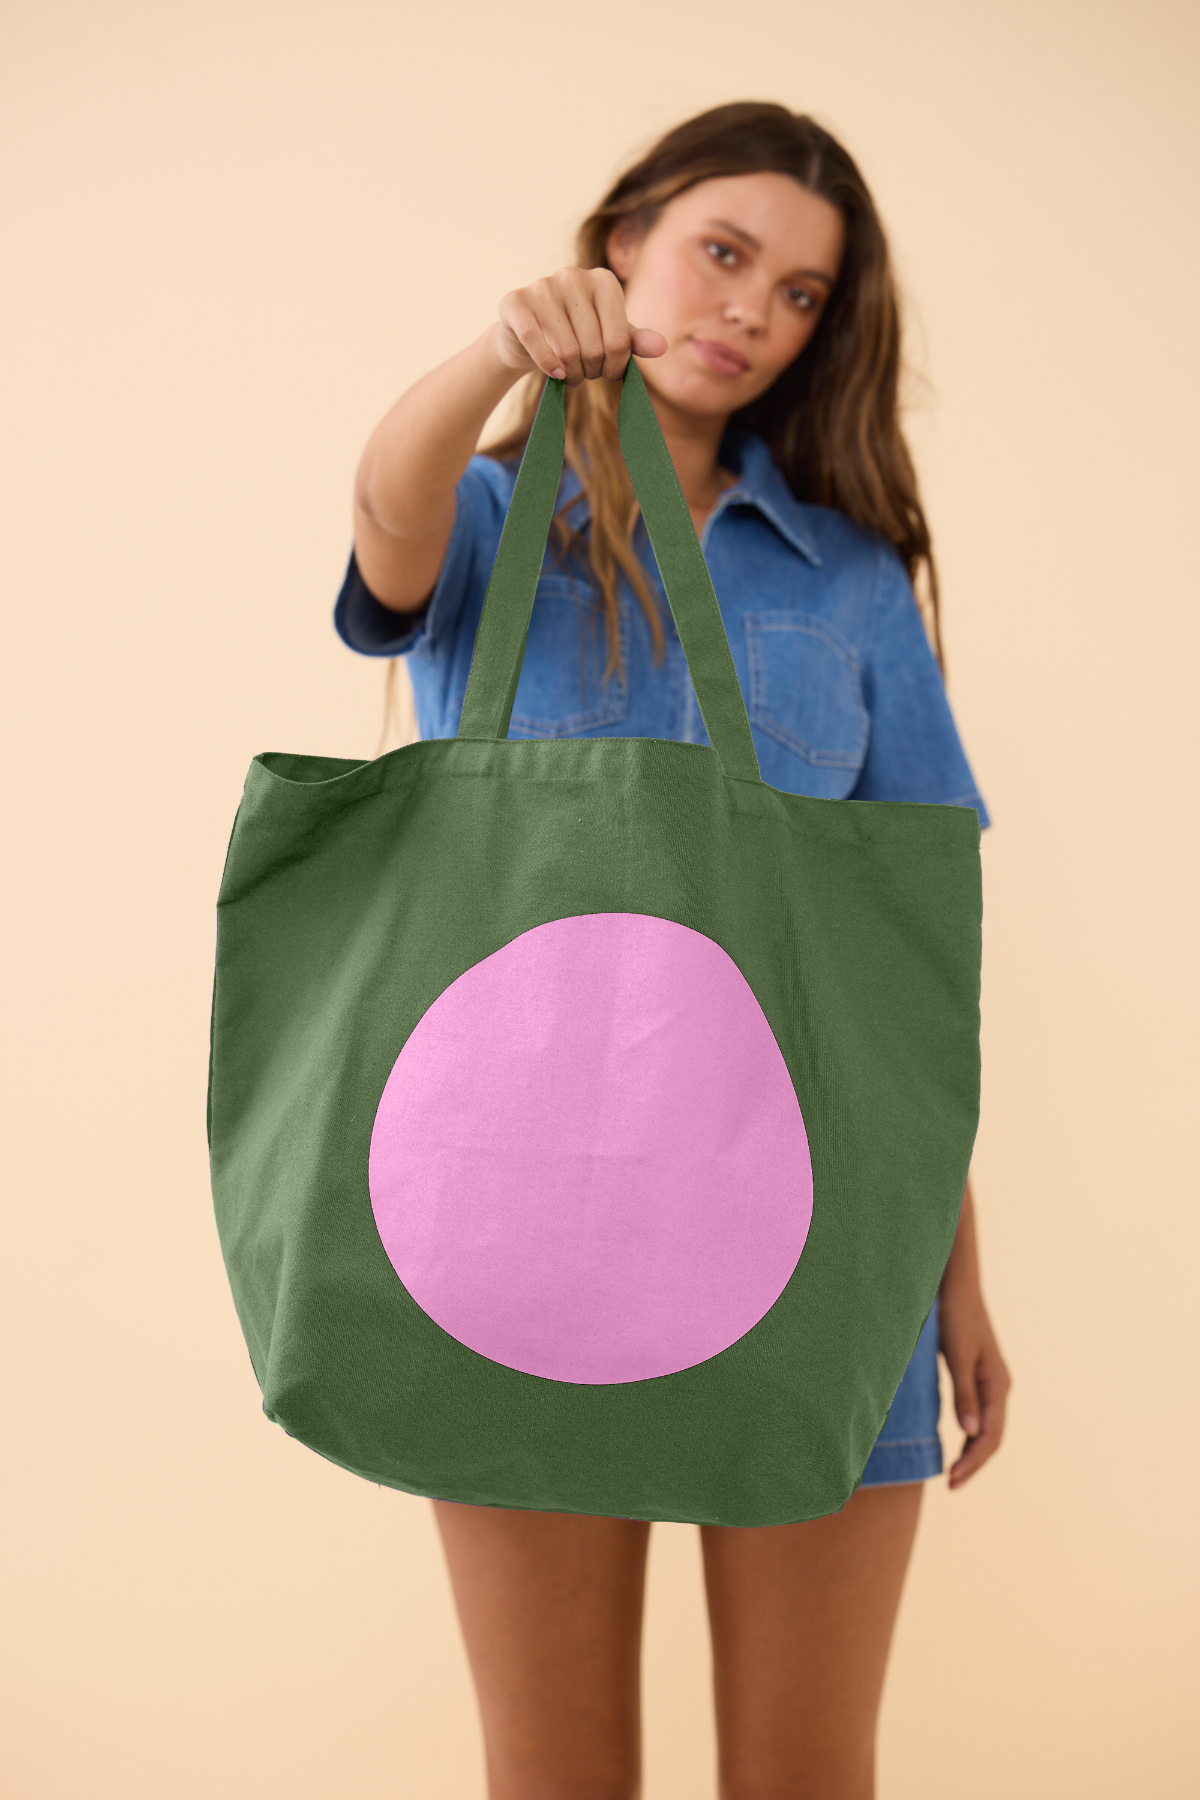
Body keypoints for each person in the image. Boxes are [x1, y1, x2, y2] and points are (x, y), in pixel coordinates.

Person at [336, 101, 1011, 1800]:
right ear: (624, 235)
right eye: (724, 252)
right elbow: (380, 523)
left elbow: (901, 961)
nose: (753, 313)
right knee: (555, 1775)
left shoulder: (850, 579)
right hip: (522, 1236)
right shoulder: (495, 521)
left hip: (822, 1229)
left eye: (800, 295)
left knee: (806, 1774)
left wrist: (958, 1269)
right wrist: (498, 355)